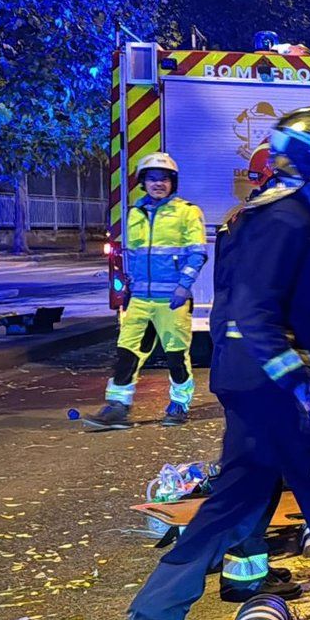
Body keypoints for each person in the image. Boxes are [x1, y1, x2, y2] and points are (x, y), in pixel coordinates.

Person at [117, 107, 310, 620]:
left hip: (258, 382)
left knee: (237, 500)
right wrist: (300, 384)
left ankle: (153, 618)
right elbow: (254, 312)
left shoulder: (283, 216)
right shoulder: (285, 221)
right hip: (274, 389)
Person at [83, 152, 207, 429]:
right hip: (139, 298)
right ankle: (118, 406)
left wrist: (183, 287)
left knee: (176, 356)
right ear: (143, 183)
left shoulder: (187, 212)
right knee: (127, 352)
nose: (158, 183)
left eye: (164, 178)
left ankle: (179, 404)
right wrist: (127, 289)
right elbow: (131, 255)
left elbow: (197, 254)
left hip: (172, 300)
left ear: (172, 182)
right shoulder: (134, 213)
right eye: (152, 179)